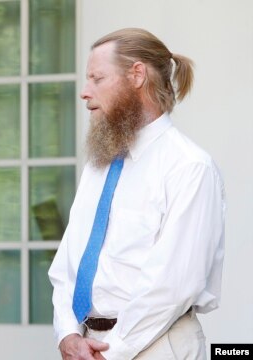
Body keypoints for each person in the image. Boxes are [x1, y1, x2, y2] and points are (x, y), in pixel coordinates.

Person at [48, 28, 226, 360]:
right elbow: (66, 266)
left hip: (156, 347)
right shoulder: (98, 166)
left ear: (137, 75)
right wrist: (68, 334)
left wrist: (109, 353)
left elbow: (173, 285)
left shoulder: (189, 167)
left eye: (97, 78)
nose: (85, 93)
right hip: (86, 346)